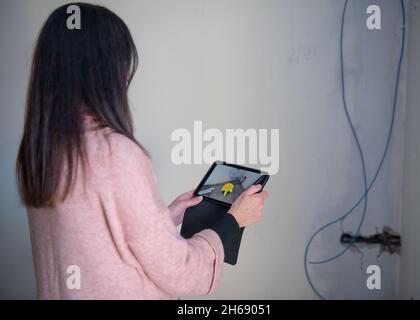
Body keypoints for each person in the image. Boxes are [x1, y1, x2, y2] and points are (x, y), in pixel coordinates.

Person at [16, 3, 268, 299]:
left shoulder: (41, 152)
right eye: (123, 65)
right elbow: (183, 273)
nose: (126, 78)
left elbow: (93, 234)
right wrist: (233, 220)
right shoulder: (115, 154)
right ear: (106, 72)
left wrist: (164, 216)